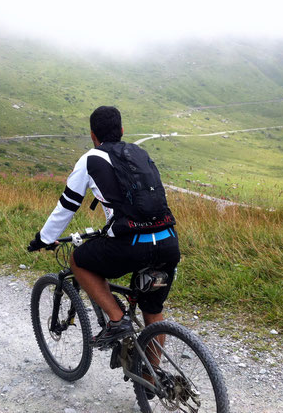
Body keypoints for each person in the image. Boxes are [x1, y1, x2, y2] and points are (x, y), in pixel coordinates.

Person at [28, 106, 180, 348]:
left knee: (78, 259)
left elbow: (68, 205)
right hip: (168, 241)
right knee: (152, 312)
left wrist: (44, 238)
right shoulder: (140, 153)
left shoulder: (91, 159)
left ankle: (117, 319)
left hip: (132, 245)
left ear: (92, 135)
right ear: (121, 130)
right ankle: (153, 382)